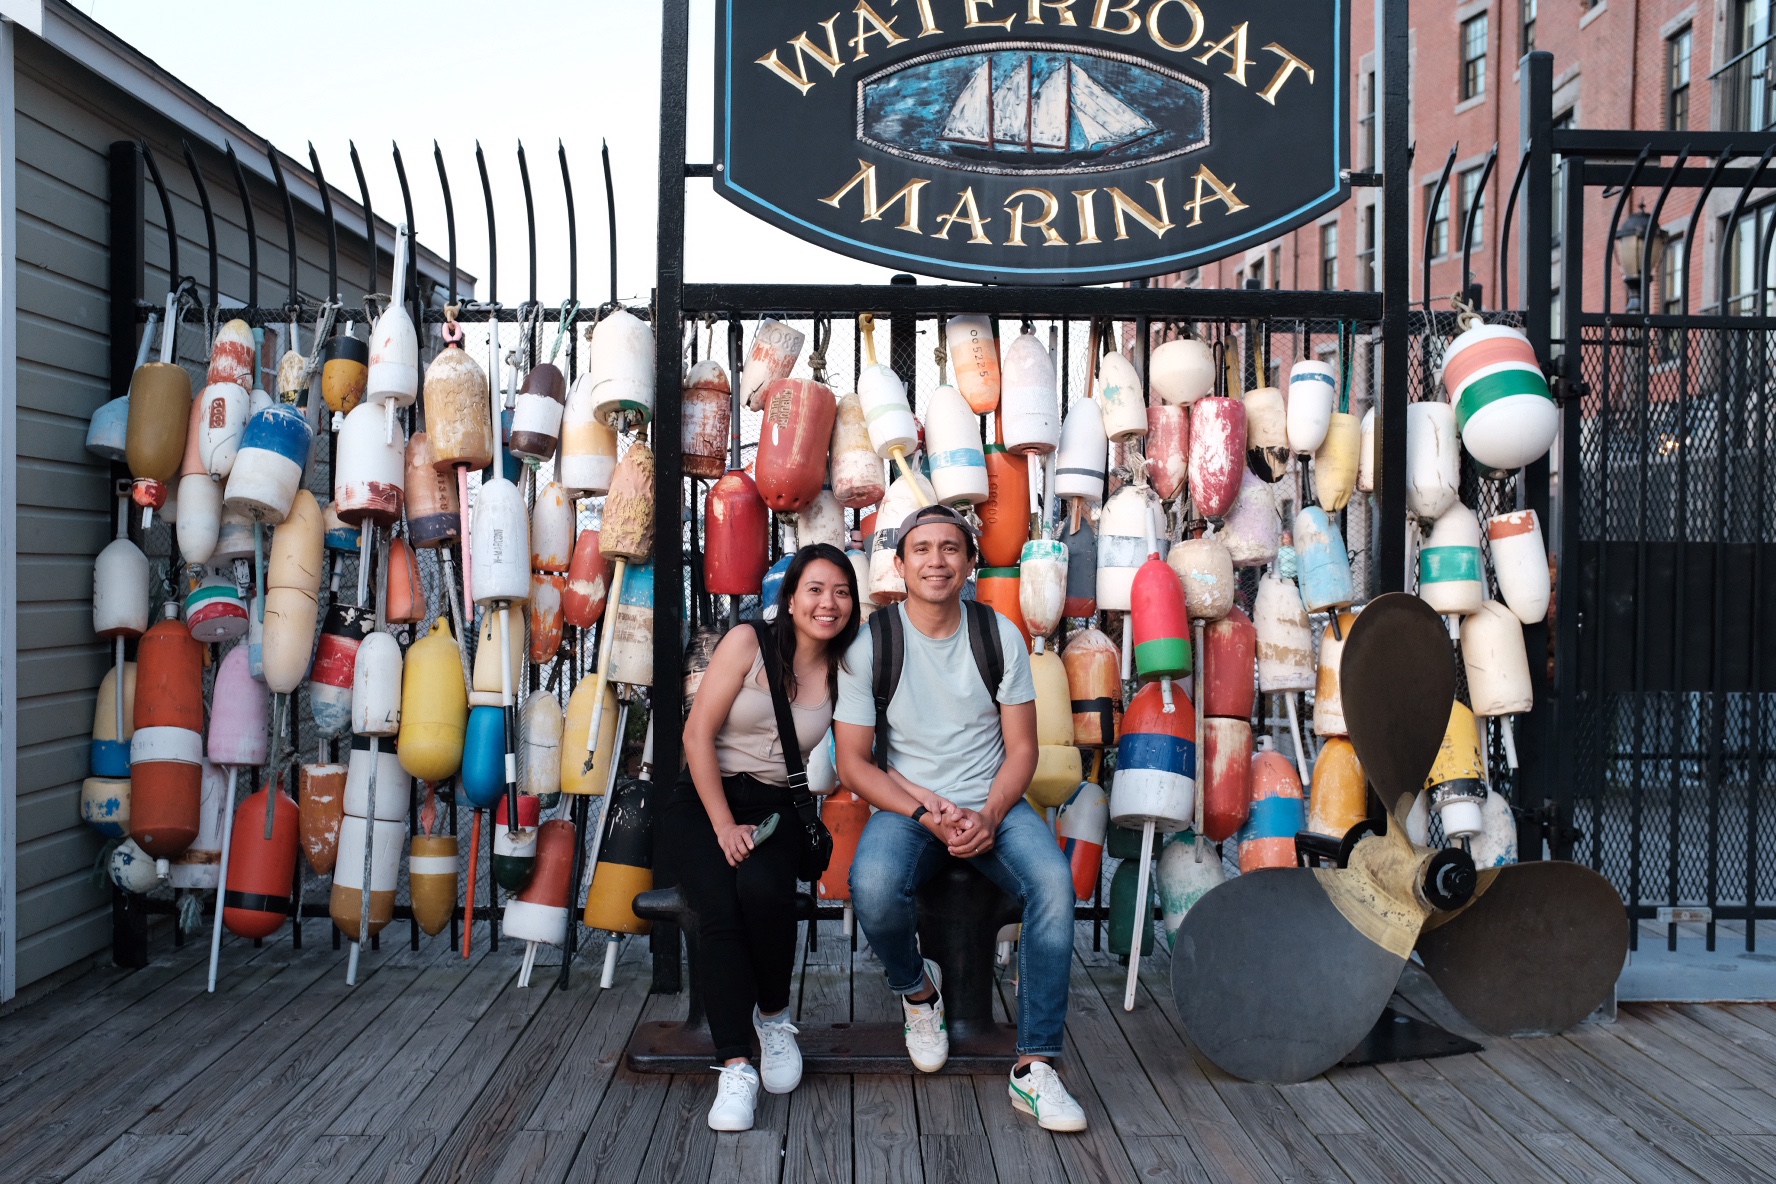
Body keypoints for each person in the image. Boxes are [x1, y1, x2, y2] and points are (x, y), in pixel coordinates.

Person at [834, 504, 1087, 1133]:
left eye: (950, 548)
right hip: (909, 807)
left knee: (1054, 883)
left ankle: (1035, 1065)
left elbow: (1022, 749)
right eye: (921, 549)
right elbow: (853, 763)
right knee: (872, 885)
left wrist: (991, 814)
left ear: (971, 562)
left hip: (991, 800)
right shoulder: (873, 643)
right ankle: (919, 993)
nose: (936, 561)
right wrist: (926, 813)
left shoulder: (997, 635)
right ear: (900, 565)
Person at [665, 543, 860, 1132]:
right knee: (719, 908)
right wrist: (724, 825)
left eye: (842, 592)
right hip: (706, 799)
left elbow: (859, 751)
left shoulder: (847, 667)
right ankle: (735, 1065)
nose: (828, 603)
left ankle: (773, 1019)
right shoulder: (747, 643)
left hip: (778, 806)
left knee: (764, 891)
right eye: (815, 590)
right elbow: (696, 735)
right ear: (790, 598)